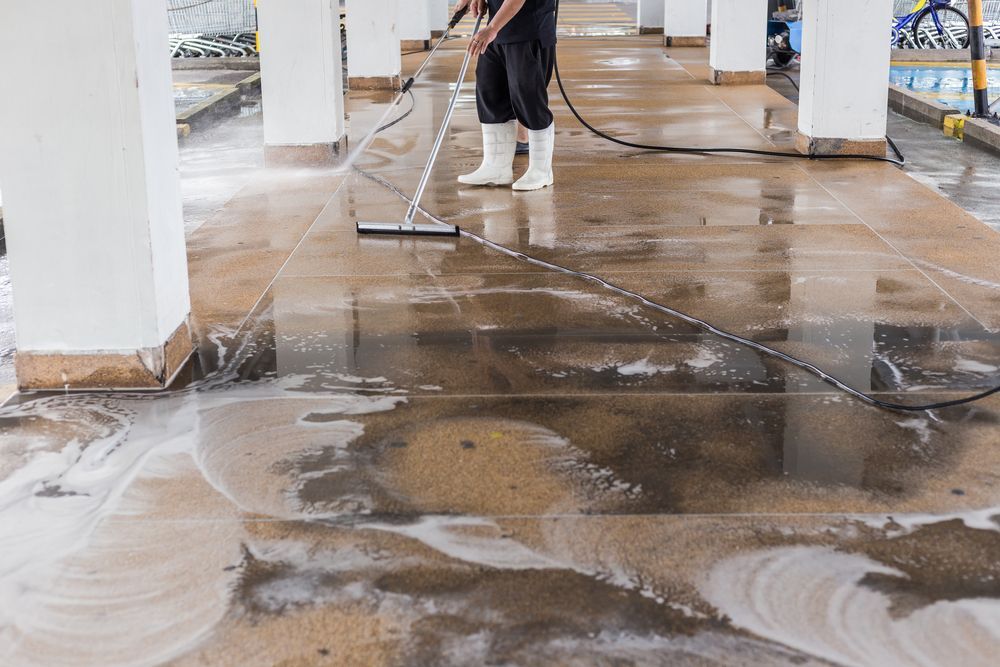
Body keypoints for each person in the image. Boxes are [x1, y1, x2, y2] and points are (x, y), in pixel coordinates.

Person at [453, 0, 557, 191]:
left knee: (528, 99)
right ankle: (495, 167)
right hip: (498, 29)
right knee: (489, 92)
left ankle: (542, 171)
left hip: (528, 30)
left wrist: (492, 28)